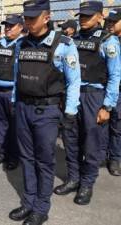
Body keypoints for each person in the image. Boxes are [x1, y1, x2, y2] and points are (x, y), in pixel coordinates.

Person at [8, 1, 81, 225]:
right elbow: (16, 76)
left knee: (44, 161)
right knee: (27, 159)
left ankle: (41, 207)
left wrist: (69, 113)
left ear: (46, 17)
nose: (27, 22)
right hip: (23, 108)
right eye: (26, 18)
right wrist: (14, 101)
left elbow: (74, 81)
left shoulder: (64, 45)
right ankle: (28, 202)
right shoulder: (21, 44)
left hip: (47, 111)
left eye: (32, 18)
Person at [54, 1, 121, 205]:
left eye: (89, 16)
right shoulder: (71, 40)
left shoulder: (108, 42)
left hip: (94, 96)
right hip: (72, 96)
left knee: (92, 143)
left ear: (100, 17)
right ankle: (73, 178)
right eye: (81, 15)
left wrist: (107, 106)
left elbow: (114, 76)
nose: (83, 19)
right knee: (71, 140)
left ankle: (87, 183)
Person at [0, 14, 24, 170]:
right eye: (6, 25)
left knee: (15, 127)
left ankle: (14, 157)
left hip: (13, 92)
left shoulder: (22, 45)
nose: (7, 28)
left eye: (11, 25)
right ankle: (3, 153)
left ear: (20, 27)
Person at [104, 8, 121, 176]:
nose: (109, 24)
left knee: (117, 126)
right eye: (108, 21)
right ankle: (101, 154)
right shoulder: (105, 40)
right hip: (106, 88)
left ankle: (115, 158)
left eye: (113, 22)